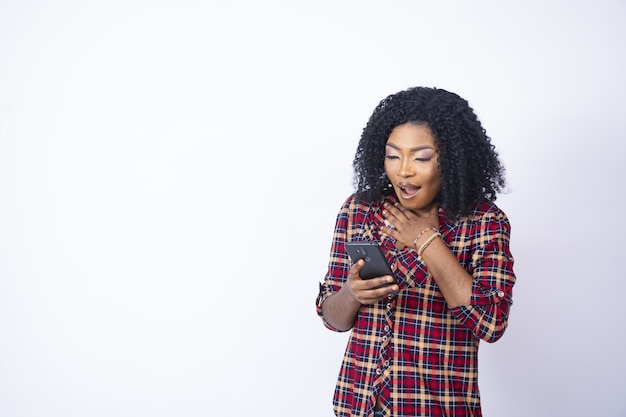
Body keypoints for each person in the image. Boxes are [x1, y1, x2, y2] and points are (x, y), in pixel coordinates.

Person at [315, 86, 516, 417]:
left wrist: (425, 240)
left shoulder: (483, 222)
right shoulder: (359, 211)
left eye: (421, 157)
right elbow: (332, 320)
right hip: (358, 406)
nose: (403, 170)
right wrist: (352, 293)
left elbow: (491, 323)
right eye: (393, 155)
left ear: (452, 160)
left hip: (437, 409)